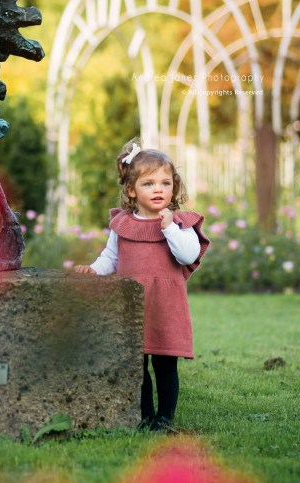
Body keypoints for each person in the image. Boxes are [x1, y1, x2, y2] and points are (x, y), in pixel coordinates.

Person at [73, 138, 210, 431]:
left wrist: (169, 227)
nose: (158, 189)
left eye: (165, 183)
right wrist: (94, 271)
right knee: (137, 364)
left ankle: (165, 417)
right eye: (149, 184)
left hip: (165, 304)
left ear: (174, 187)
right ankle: (145, 415)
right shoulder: (123, 224)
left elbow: (188, 254)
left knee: (164, 364)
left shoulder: (179, 224)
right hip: (132, 305)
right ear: (132, 190)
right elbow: (110, 257)